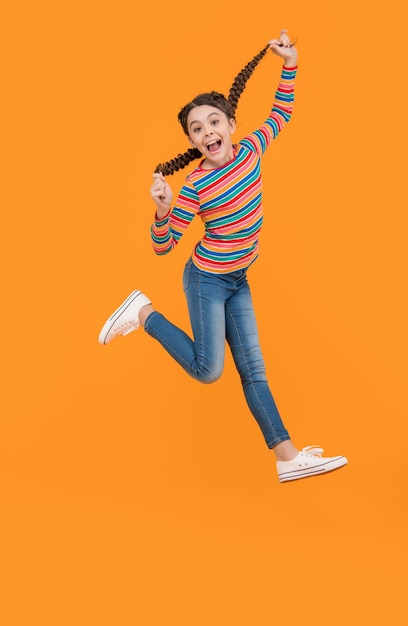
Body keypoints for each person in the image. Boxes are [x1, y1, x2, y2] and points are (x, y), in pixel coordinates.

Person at [98, 31, 348, 483]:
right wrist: (162, 209)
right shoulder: (195, 186)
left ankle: (287, 457)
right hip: (206, 280)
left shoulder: (251, 150)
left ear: (231, 124)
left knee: (254, 369)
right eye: (197, 129)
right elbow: (163, 244)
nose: (207, 132)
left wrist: (289, 63)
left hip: (238, 279)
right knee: (209, 370)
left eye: (214, 122)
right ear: (194, 142)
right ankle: (144, 312)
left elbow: (282, 112)